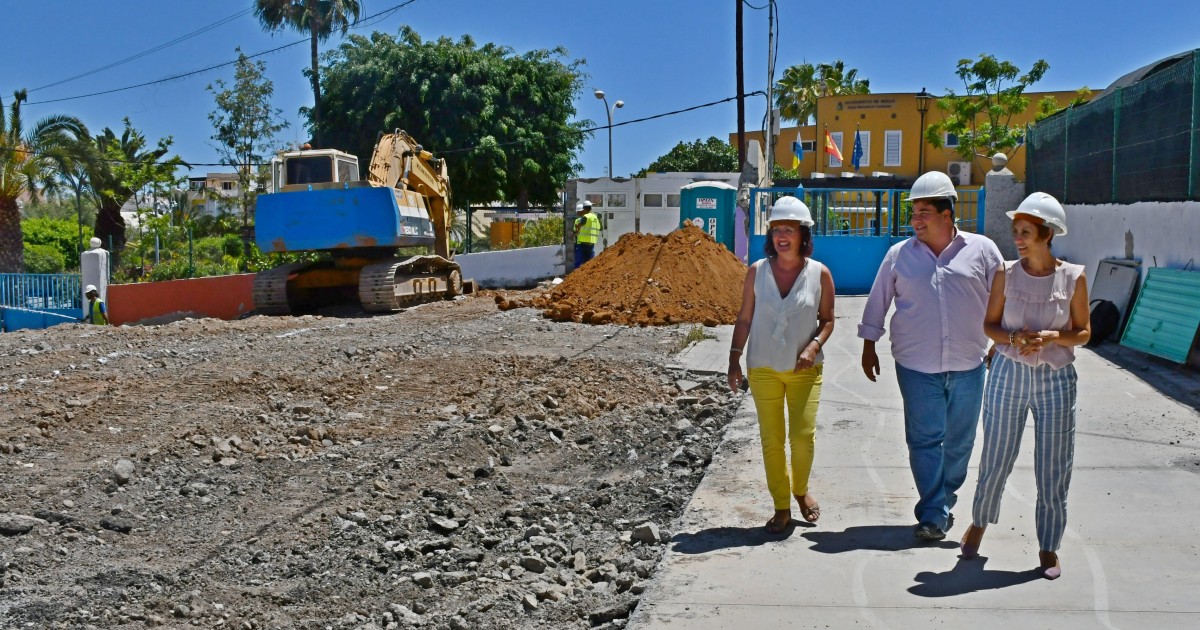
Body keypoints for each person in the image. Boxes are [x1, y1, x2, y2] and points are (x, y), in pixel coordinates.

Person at [858, 171, 1003, 541]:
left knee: (961, 441)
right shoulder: (898, 256)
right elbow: (878, 301)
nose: (915, 220)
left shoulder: (983, 251)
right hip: (916, 365)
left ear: (947, 213)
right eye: (913, 213)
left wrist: (1000, 343)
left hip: (970, 364)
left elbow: (1003, 302)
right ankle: (934, 513)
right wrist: (869, 343)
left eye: (923, 211)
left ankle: (944, 498)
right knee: (924, 440)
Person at [960, 192, 1090, 580]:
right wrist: (1014, 340)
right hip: (1007, 371)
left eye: (1026, 232)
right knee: (996, 454)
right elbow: (990, 326)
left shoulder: (1074, 277)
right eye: (1016, 231)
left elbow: (1083, 333)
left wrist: (1052, 336)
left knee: (1054, 463)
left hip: (1056, 378)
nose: (1017, 238)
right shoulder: (1005, 273)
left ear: (1047, 234)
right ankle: (978, 525)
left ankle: (1049, 547)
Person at [727, 196, 835, 533]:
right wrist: (734, 358)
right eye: (776, 229)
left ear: (804, 234)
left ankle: (800, 491)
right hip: (763, 367)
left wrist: (813, 346)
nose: (781, 236)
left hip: (805, 369)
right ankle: (781, 505)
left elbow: (828, 320)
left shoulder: (820, 274)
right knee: (772, 440)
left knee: (802, 437)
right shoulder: (756, 272)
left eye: (789, 229)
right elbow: (744, 318)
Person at [573, 200, 601, 269]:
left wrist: (577, 226)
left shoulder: (586, 216)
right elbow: (599, 227)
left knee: (584, 260)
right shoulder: (595, 217)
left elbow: (581, 224)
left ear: (584, 209)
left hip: (584, 241)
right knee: (590, 259)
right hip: (592, 241)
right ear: (591, 208)